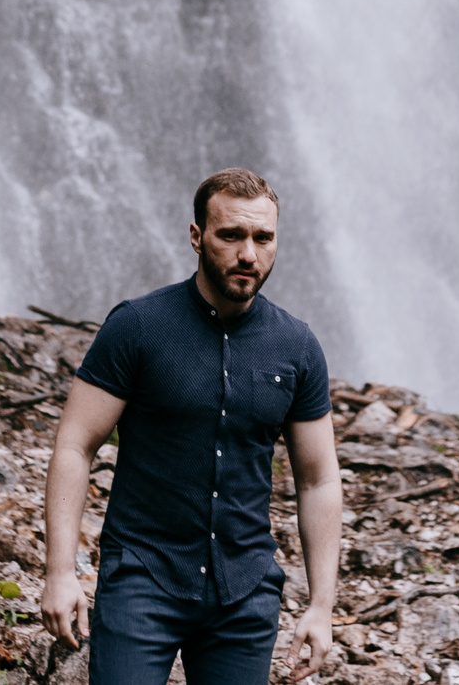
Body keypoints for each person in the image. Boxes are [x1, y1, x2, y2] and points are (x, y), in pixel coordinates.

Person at [39, 168, 342, 684]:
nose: (248, 253)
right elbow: (75, 444)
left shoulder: (297, 347)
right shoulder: (137, 327)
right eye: (231, 235)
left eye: (262, 238)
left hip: (245, 595)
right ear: (197, 237)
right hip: (142, 579)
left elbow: (319, 479)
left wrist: (320, 606)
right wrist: (59, 573)